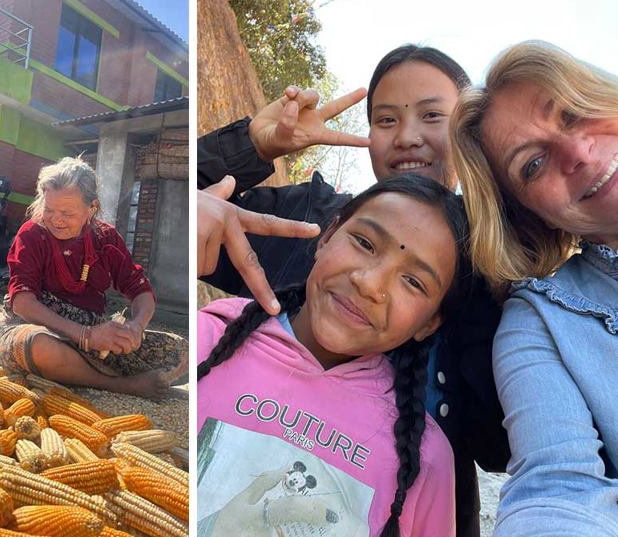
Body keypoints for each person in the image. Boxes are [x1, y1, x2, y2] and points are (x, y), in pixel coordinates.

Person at [198, 44, 509, 537]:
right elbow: (185, 207)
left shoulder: (493, 268)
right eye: (385, 120)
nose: (407, 137)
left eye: (432, 115)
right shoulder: (306, 220)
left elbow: (502, 448)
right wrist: (256, 146)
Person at [199, 175, 472, 537]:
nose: (370, 284)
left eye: (414, 282)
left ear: (429, 323)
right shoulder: (209, 340)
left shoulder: (428, 459)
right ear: (326, 238)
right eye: (364, 243)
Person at [450, 40, 618, 536]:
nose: (577, 152)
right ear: (531, 215)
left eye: (572, 112)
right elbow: (556, 489)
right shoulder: (542, 323)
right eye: (533, 164)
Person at [0, 157, 185, 401]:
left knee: (181, 352)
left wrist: (136, 326)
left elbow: (140, 290)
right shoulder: (32, 234)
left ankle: (76, 368)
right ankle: (119, 384)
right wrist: (84, 335)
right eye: (49, 209)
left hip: (94, 335)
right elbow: (22, 303)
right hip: (36, 327)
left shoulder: (106, 238)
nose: (56, 220)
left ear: (91, 208)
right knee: (38, 347)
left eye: (67, 212)